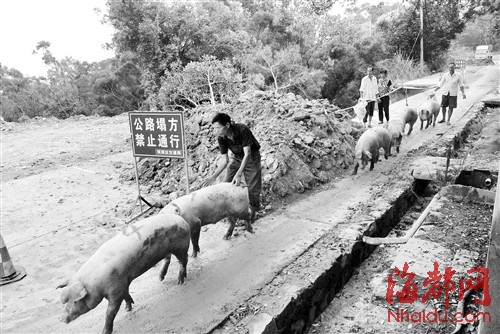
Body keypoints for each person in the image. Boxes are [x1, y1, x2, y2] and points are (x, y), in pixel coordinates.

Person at [201, 112, 262, 219]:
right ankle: (231, 212)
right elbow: (225, 160)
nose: (216, 131)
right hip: (237, 157)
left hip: (252, 158)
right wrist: (213, 177)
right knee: (226, 184)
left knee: (252, 188)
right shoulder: (221, 138)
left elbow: (247, 154)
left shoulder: (242, 130)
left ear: (227, 125)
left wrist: (239, 174)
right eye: (214, 128)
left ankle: (253, 213)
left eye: (218, 128)